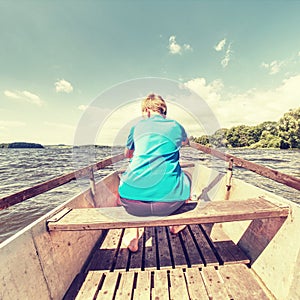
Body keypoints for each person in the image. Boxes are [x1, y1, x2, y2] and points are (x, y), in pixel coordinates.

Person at [118, 94, 191, 251]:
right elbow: (185, 142)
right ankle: (176, 224)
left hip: (133, 205)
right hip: (169, 205)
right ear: (163, 111)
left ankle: (133, 234)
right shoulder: (176, 126)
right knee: (186, 178)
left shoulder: (136, 127)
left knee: (128, 184)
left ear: (147, 111)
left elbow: (127, 155)